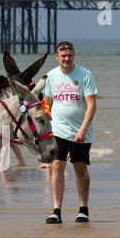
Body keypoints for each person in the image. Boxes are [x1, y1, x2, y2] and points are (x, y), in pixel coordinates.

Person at [42, 41, 98, 223]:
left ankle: (83, 209)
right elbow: (46, 103)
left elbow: (91, 105)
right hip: (57, 130)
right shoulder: (51, 76)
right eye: (63, 56)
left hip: (81, 131)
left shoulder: (85, 74)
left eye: (70, 55)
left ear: (74, 56)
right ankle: (56, 211)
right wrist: (46, 125)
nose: (67, 59)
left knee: (80, 168)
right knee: (57, 165)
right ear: (57, 56)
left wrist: (83, 129)